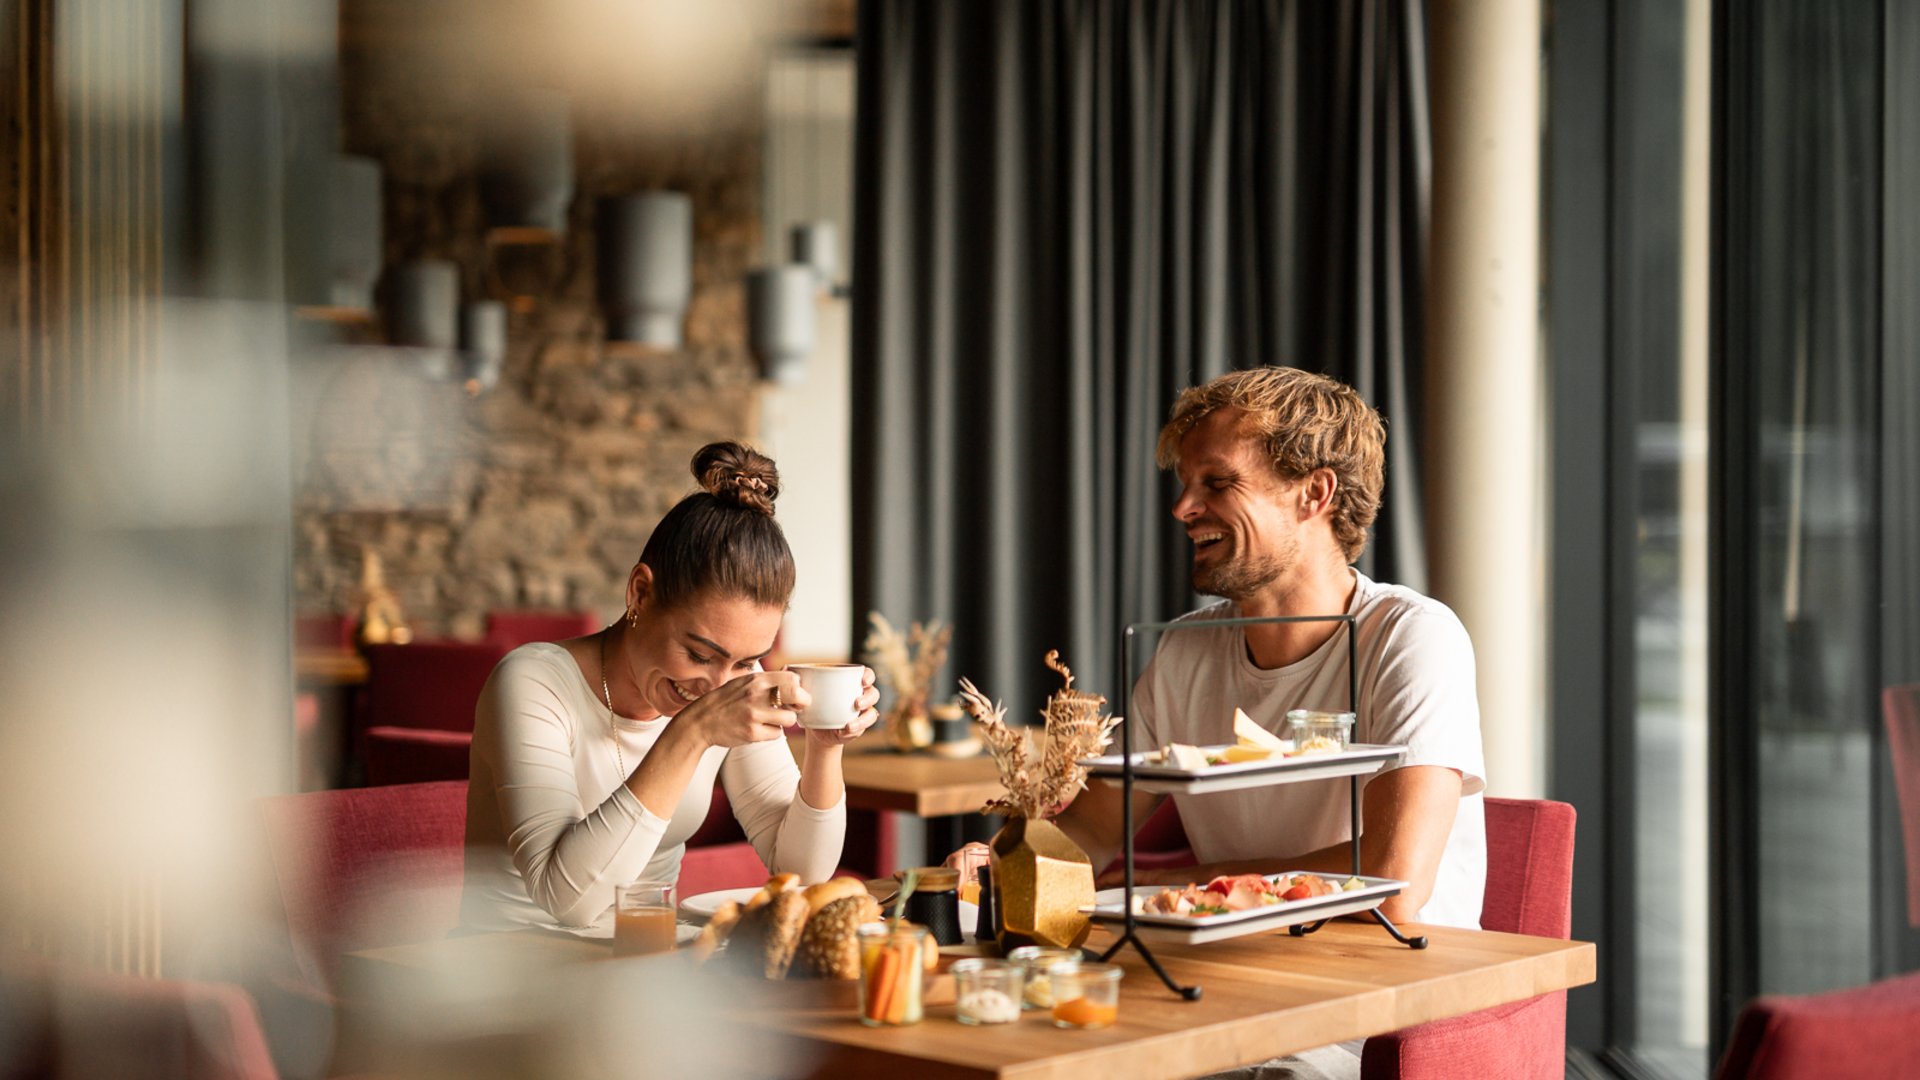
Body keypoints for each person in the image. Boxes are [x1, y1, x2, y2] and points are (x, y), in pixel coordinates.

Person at [952, 369, 1486, 1076]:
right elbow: (1091, 830)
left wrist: (1188, 885)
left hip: (1376, 1004)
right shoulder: (1184, 650)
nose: (1182, 508)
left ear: (1313, 494)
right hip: (1225, 985)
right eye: (1184, 483)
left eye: (1217, 482)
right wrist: (1017, 861)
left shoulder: (1409, 637)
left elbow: (1393, 882)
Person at [462, 442, 878, 936]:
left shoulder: (731, 686)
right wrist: (692, 733)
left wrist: (824, 749)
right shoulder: (533, 683)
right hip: (509, 974)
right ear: (640, 592)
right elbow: (567, 899)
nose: (717, 686)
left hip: (649, 970)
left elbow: (802, 870)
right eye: (700, 654)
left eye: (744, 662)